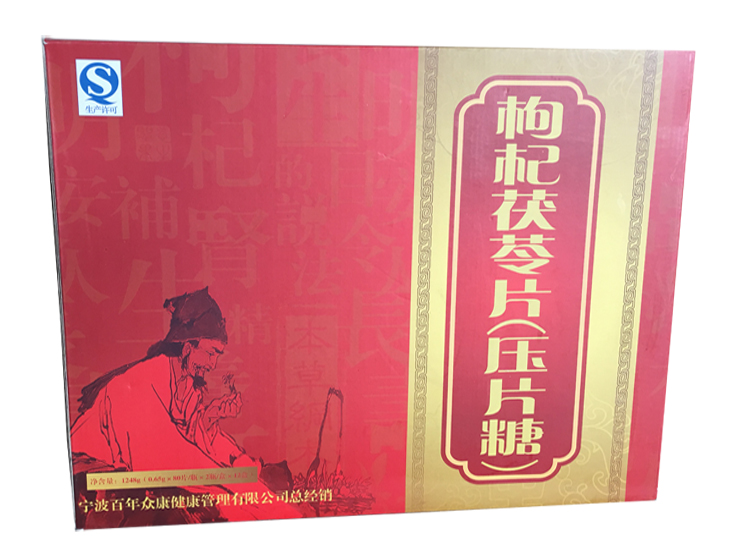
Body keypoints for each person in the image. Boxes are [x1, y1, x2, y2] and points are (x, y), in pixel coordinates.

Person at [69, 288, 300, 526]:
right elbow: (170, 455)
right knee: (220, 503)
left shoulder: (186, 387)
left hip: (139, 483)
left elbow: (196, 439)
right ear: (188, 347)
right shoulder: (140, 382)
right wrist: (237, 480)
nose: (213, 365)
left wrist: (233, 451)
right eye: (210, 353)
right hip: (85, 483)